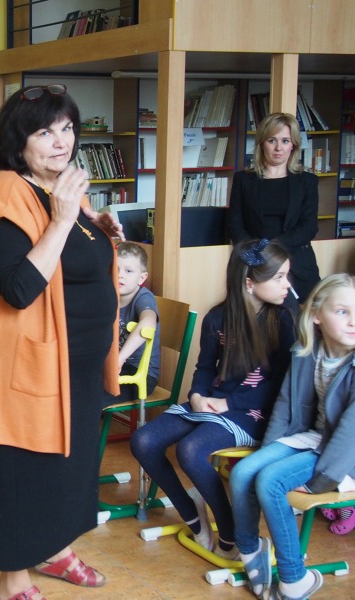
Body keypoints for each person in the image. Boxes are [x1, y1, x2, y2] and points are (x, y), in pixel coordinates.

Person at [0, 83, 124, 600]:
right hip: (24, 366)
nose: (61, 142)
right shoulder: (5, 190)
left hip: (78, 364)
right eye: (45, 132)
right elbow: (18, 287)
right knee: (22, 472)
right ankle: (12, 578)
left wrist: (99, 231)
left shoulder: (64, 190)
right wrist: (64, 219)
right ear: (18, 141)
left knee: (69, 468)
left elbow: (72, 261)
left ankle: (55, 550)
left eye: (67, 128)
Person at [130, 239, 296, 560]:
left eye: (286, 276)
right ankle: (193, 514)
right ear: (249, 283)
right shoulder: (217, 318)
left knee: (190, 450)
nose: (287, 284)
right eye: (278, 277)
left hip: (255, 412)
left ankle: (230, 532)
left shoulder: (283, 320)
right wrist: (196, 394)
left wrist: (229, 404)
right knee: (143, 440)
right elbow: (205, 367)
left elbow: (281, 384)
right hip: (215, 402)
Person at [230, 273, 355, 600]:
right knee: (244, 472)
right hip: (315, 438)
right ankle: (251, 551)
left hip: (345, 456)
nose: (353, 321)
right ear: (316, 315)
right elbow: (285, 405)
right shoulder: (306, 351)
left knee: (270, 481)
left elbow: (349, 434)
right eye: (342, 311)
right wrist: (268, 451)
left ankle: (294, 579)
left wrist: (321, 482)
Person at [228, 112, 321, 305]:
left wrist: (271, 249)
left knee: (301, 318)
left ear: (293, 145)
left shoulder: (307, 181)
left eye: (285, 141)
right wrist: (257, 254)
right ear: (262, 143)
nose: (279, 147)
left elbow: (309, 227)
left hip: (298, 264)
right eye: (272, 140)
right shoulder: (243, 180)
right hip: (255, 263)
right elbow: (235, 224)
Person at [104, 241, 160, 407]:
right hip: (113, 367)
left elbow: (148, 323)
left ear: (141, 278)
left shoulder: (143, 298)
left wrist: (119, 359)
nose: (120, 275)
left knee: (89, 399)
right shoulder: (109, 295)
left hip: (140, 374)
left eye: (128, 271)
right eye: (116, 269)